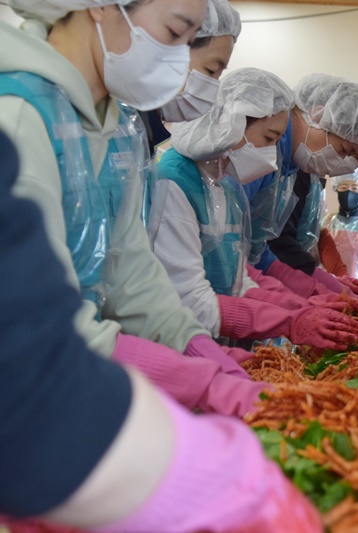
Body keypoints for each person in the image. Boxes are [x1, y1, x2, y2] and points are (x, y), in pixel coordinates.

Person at [0, 126, 321, 532]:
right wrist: (184, 467)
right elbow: (31, 367)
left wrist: (201, 355)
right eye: (209, 70)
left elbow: (135, 278)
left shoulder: (120, 130)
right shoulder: (26, 116)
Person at [0, 0, 271, 420]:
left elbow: (130, 268)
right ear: (102, 7)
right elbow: (30, 318)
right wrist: (192, 377)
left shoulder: (117, 129)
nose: (180, 62)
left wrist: (192, 343)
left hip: (76, 377)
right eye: (173, 34)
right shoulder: (18, 117)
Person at [151, 67, 358, 350]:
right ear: (232, 123)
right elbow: (189, 300)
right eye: (269, 139)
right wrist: (288, 320)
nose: (271, 156)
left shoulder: (226, 185)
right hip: (179, 344)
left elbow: (240, 277)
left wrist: (300, 305)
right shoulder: (174, 181)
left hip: (216, 339)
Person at [244, 74, 358, 299]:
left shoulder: (289, 167)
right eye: (345, 150)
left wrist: (320, 284)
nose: (343, 164)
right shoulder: (263, 157)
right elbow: (228, 253)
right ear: (318, 114)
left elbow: (257, 249)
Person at [143, 0, 241, 155]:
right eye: (211, 70)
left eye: (219, 74)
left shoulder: (144, 128)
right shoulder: (123, 122)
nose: (213, 87)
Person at [320, 167, 358, 287]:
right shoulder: (326, 221)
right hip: (329, 287)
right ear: (337, 190)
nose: (349, 193)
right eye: (343, 188)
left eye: (355, 188)